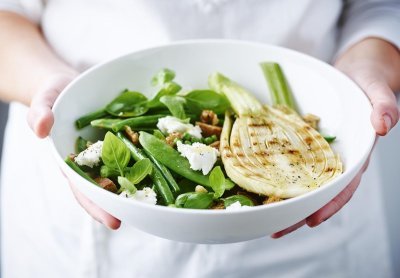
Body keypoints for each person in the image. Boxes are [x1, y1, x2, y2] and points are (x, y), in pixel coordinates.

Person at [0, 0, 399, 277]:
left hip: (314, 248)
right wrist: (49, 87)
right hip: (79, 246)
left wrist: (365, 71)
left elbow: (382, 7)